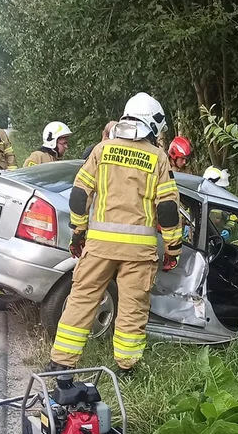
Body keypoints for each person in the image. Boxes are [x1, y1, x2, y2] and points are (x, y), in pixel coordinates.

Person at [49, 92, 183, 376]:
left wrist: (78, 232)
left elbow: (78, 195)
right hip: (139, 252)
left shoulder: (102, 150)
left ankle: (61, 363)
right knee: (133, 308)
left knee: (82, 298)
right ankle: (126, 368)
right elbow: (169, 209)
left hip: (99, 247)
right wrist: (173, 249)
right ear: (152, 123)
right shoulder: (158, 158)